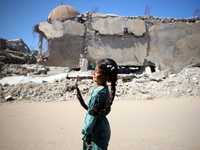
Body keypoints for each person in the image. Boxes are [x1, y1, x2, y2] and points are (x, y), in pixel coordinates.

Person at [75, 58, 118, 150]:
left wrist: (86, 134)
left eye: (97, 72)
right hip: (103, 128)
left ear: (106, 77)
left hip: (95, 130)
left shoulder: (98, 93)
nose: (93, 73)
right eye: (94, 70)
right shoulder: (104, 90)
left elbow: (92, 116)